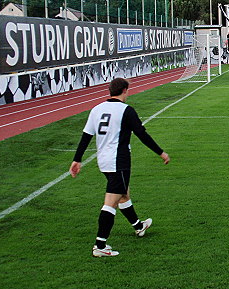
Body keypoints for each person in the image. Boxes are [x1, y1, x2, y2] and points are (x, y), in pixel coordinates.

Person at [69, 78, 170, 257]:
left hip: (104, 161)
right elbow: (141, 134)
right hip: (119, 161)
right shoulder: (126, 110)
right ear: (125, 90)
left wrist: (77, 159)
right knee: (111, 202)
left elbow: (86, 136)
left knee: (124, 194)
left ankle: (139, 226)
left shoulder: (96, 109)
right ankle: (100, 245)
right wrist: (161, 153)